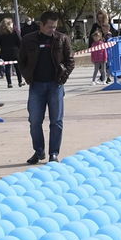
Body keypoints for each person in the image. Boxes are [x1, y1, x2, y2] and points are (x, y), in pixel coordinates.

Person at [17, 10, 73, 163]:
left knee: (56, 121)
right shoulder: (28, 40)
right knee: (35, 121)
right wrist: (28, 77)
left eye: (55, 27)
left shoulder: (62, 39)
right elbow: (21, 61)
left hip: (55, 85)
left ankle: (53, 153)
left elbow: (70, 61)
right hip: (36, 86)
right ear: (41, 24)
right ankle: (38, 151)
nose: (52, 30)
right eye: (50, 27)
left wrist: (62, 79)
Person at [0, 17, 22, 88]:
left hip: (5, 52)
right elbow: (19, 40)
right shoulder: (13, 31)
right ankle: (20, 81)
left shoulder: (1, 33)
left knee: (7, 68)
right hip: (15, 51)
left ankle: (9, 83)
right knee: (17, 67)